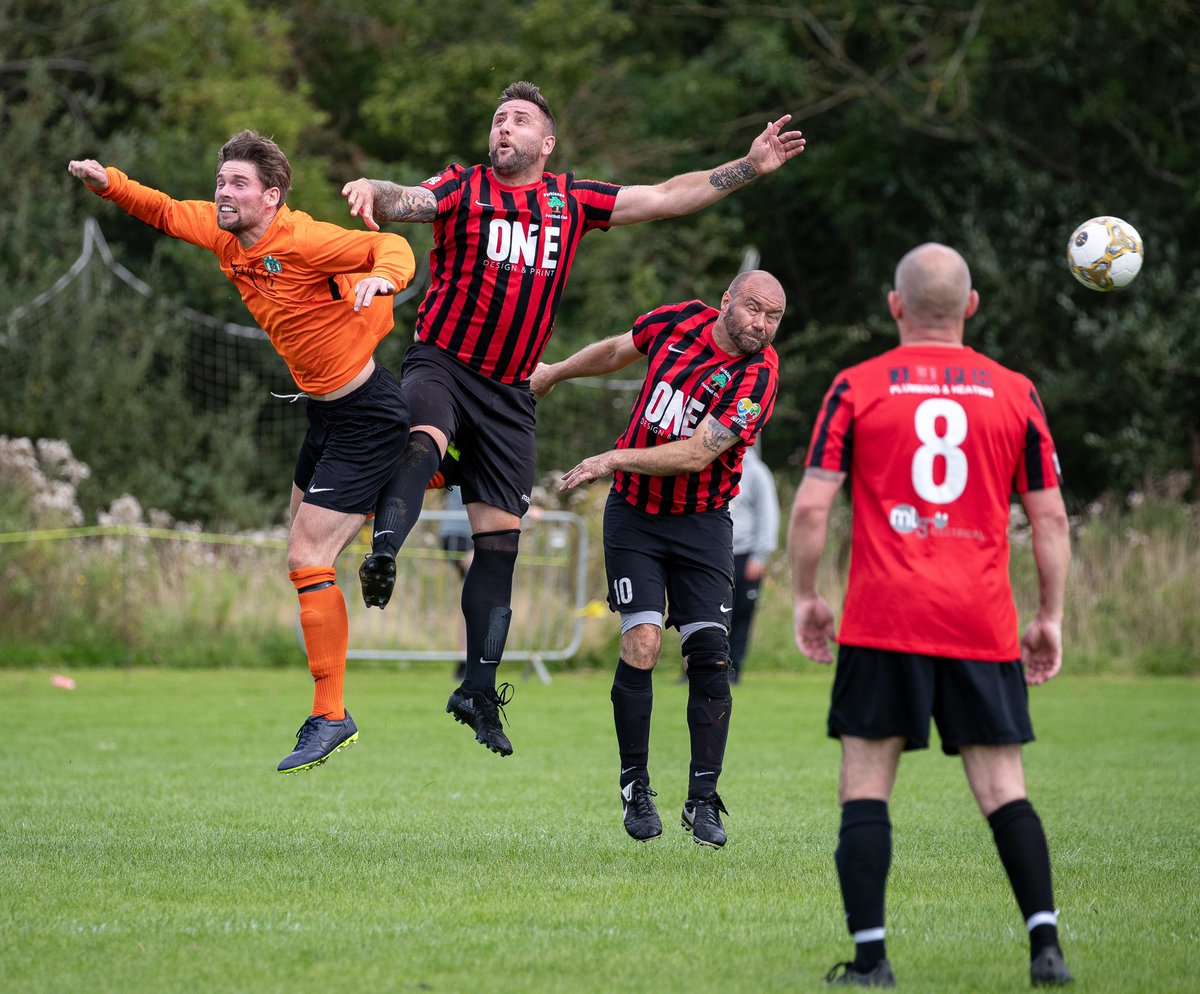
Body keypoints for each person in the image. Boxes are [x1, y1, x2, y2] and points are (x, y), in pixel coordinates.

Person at [340, 81, 806, 757]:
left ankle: (476, 689)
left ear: (546, 142)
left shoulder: (570, 200)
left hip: (508, 393)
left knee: (500, 541)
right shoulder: (462, 187)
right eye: (498, 118)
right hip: (443, 360)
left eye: (520, 120)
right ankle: (385, 548)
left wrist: (747, 168)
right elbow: (406, 199)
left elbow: (667, 195)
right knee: (424, 434)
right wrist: (369, 189)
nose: (504, 127)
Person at [68, 132, 417, 776]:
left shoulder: (304, 238)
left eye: (237, 184)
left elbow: (390, 245)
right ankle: (393, 506)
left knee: (307, 557)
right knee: (304, 537)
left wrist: (381, 279)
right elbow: (167, 210)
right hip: (326, 410)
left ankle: (332, 715)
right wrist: (109, 183)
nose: (223, 193)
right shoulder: (228, 234)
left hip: (366, 413)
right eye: (221, 181)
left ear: (272, 196)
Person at [788, 243, 1073, 987]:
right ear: (970, 308)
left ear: (896, 307)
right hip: (980, 619)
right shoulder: (1016, 392)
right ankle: (1045, 948)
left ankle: (873, 960)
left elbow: (814, 504)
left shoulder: (855, 386)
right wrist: (1050, 616)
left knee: (866, 783)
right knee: (1003, 787)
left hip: (884, 617)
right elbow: (1050, 521)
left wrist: (806, 597)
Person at [531, 269, 784, 849]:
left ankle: (703, 797)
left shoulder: (759, 379)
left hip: (702, 525)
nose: (760, 324)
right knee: (641, 641)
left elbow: (699, 454)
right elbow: (622, 348)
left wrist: (613, 458)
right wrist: (556, 371)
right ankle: (635, 784)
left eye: (772, 317)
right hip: (637, 518)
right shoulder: (679, 321)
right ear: (727, 300)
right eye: (752, 309)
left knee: (711, 654)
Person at [726, 437, 780, 681]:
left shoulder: (757, 473)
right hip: (716, 554)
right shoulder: (716, 467)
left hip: (745, 554)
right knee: (705, 613)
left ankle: (733, 667)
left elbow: (768, 514)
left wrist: (760, 556)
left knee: (741, 613)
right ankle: (697, 667)